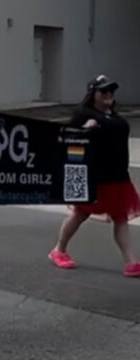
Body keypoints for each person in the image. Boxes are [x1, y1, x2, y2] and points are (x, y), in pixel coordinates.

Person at [48, 74, 140, 277]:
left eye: (111, 92)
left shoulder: (114, 116)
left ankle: (132, 262)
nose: (108, 95)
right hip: (95, 177)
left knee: (120, 218)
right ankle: (58, 250)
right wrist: (84, 129)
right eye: (103, 91)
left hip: (118, 177)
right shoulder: (84, 114)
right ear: (93, 94)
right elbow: (66, 137)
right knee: (81, 213)